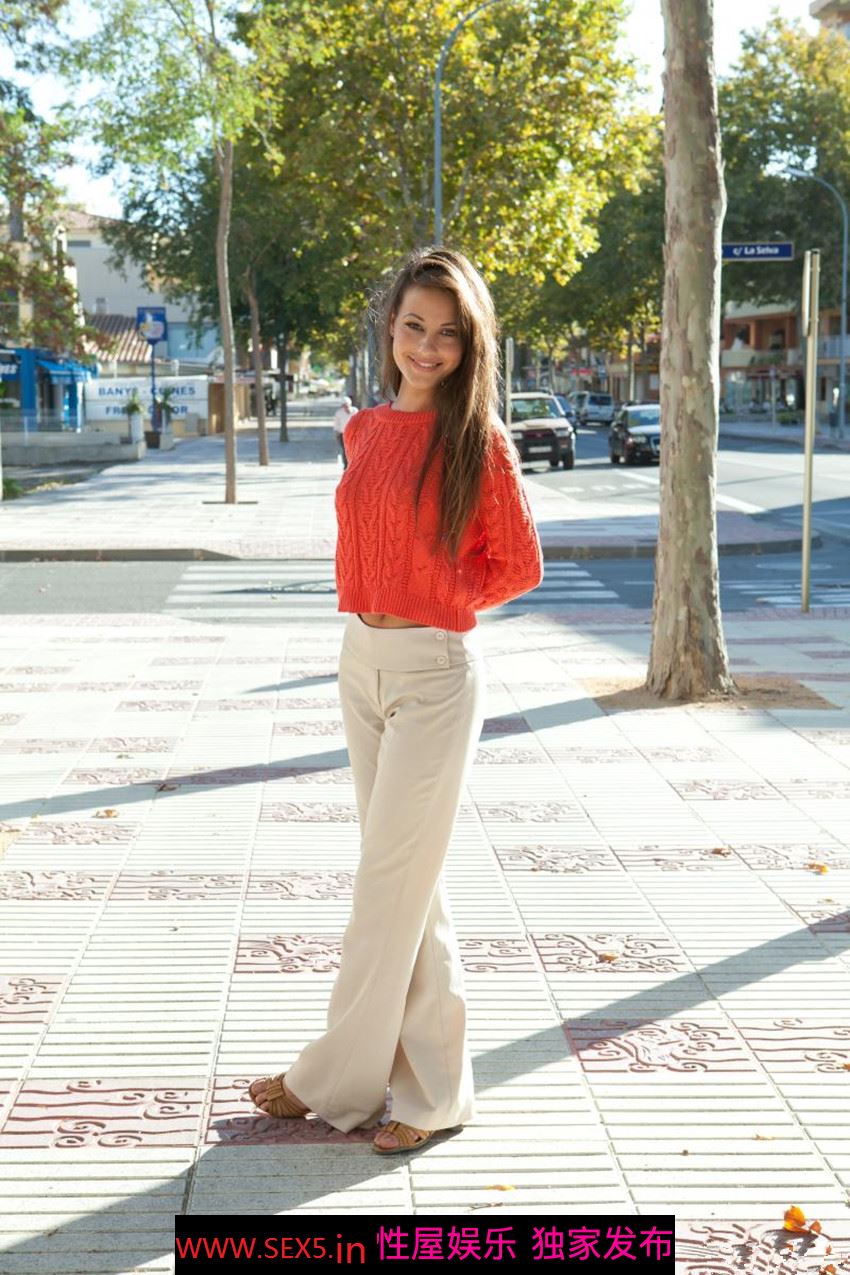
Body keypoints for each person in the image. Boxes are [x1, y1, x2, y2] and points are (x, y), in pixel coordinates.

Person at [248, 246, 544, 1157]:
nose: (427, 345)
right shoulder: (366, 430)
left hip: (434, 671)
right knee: (412, 885)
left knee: (386, 881)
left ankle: (329, 1079)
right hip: (360, 661)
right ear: (391, 328)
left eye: (448, 333)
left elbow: (519, 564)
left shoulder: (479, 440)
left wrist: (440, 599)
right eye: (414, 325)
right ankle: (437, 1092)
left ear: (469, 345)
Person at [334, 394, 358, 468]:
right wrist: (336, 434)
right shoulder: (339, 413)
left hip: (354, 434)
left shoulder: (355, 411)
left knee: (354, 449)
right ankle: (346, 466)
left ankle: (354, 464)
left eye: (347, 405)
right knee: (345, 450)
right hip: (343, 434)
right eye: (344, 405)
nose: (346, 407)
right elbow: (336, 425)